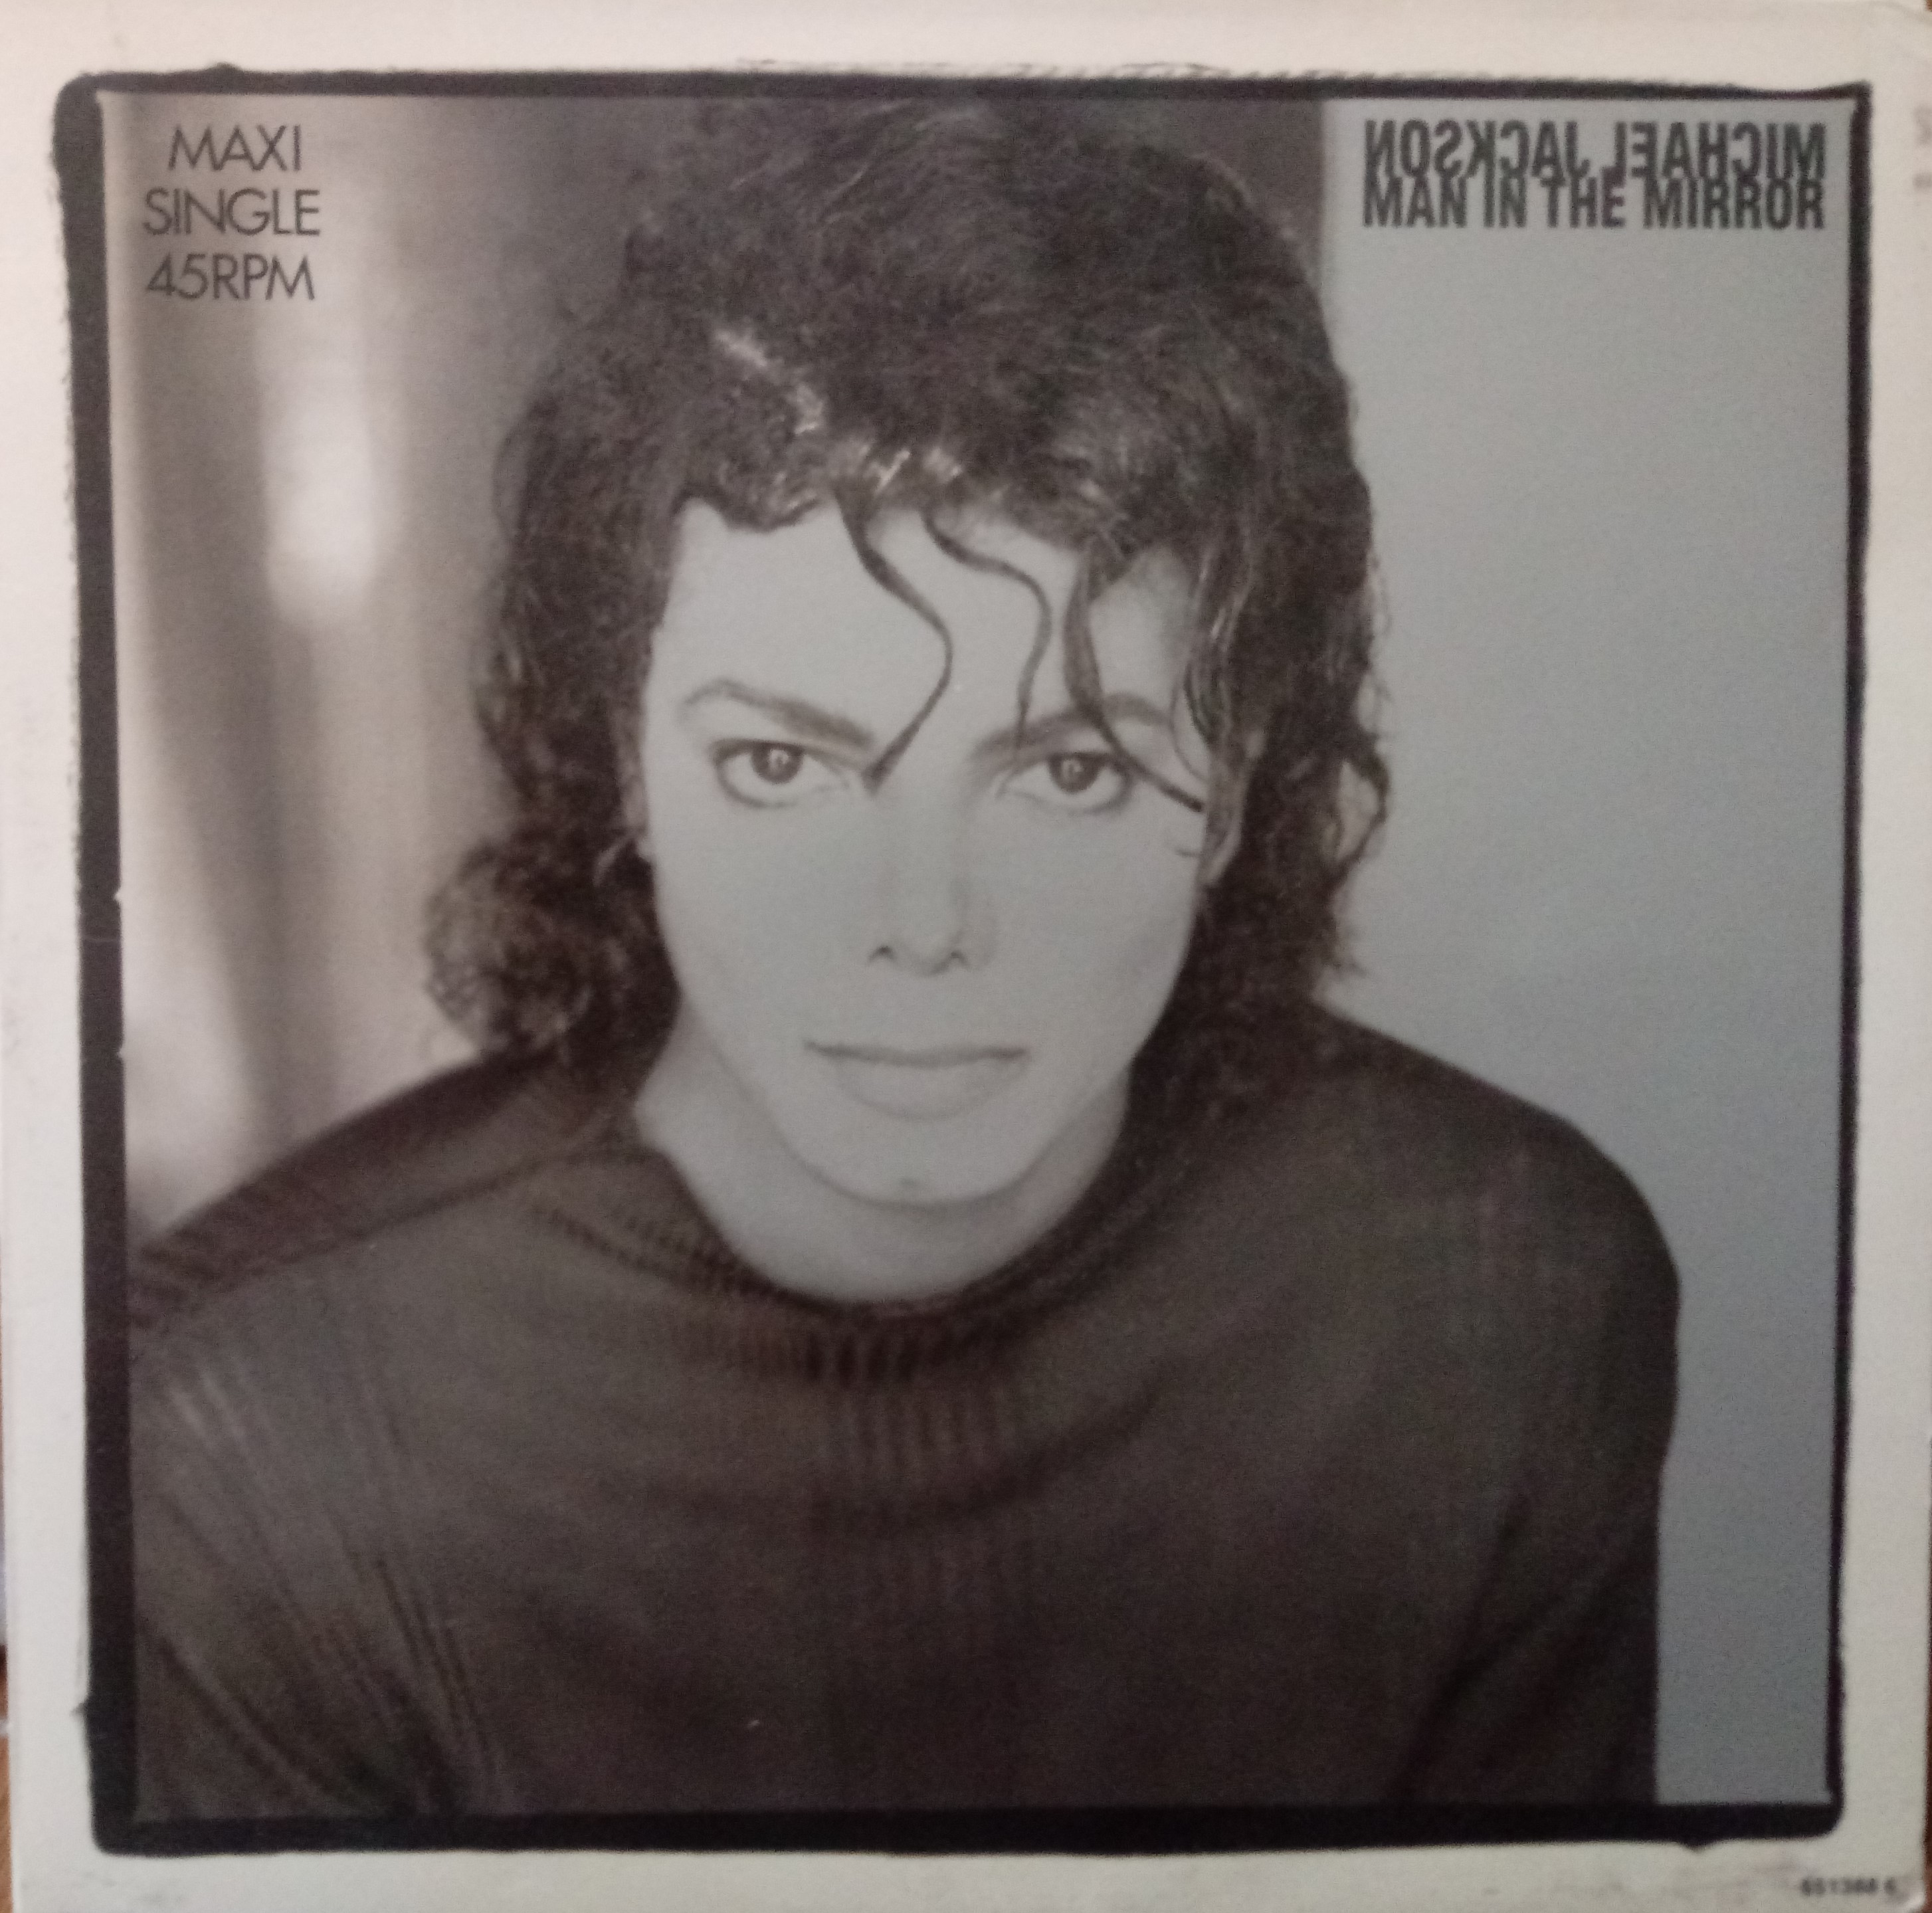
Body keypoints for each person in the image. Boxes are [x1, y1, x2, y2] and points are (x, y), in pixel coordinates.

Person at [128, 98, 1678, 1822]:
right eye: (782, 764)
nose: (925, 923)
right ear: (628, 761)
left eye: (1068, 773)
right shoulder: (238, 1421)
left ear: (1235, 790)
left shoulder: (1500, 1292)